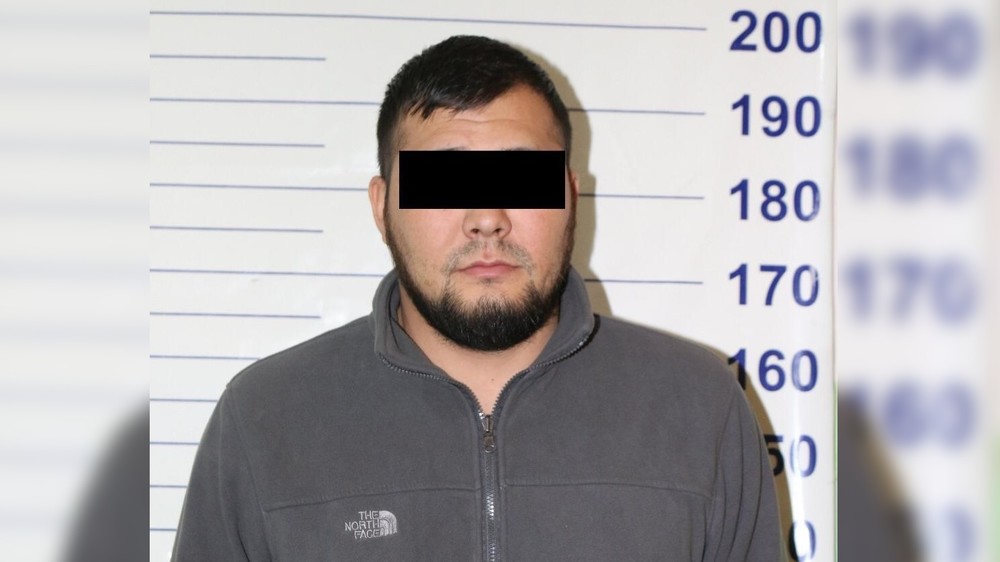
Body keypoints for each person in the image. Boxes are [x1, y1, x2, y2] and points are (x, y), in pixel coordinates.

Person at [172, 35, 780, 561]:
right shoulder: (265, 420)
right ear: (382, 207)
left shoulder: (700, 410)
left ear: (570, 197)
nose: (487, 217)